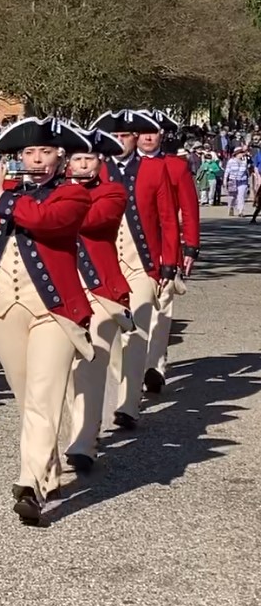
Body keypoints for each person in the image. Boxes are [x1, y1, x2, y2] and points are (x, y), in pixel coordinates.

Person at [0, 118, 93, 525]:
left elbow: (46, 221)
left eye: (46, 153)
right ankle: (48, 471)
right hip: (3, 309)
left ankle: (29, 484)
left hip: (54, 311)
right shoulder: (1, 196)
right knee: (28, 397)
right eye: (29, 153)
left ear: (61, 158)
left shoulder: (72, 195)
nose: (37, 159)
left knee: (44, 396)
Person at [89, 110, 179, 430]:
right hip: (106, 263)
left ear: (136, 137)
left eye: (127, 136)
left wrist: (170, 263)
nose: (122, 142)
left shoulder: (155, 170)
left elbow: (168, 218)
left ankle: (128, 405)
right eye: (116, 137)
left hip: (143, 264)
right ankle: (126, 377)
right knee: (109, 333)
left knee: (138, 329)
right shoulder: (97, 170)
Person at [61, 128, 129, 475]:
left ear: (100, 161)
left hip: (100, 290)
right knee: (69, 370)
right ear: (67, 161)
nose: (83, 164)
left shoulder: (113, 191)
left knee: (92, 362)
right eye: (77, 159)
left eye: (89, 158)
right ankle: (81, 432)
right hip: (61, 290)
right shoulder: (54, 192)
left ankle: (84, 441)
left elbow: (93, 221)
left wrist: (53, 203)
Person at [137, 111, 199, 393]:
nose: (148, 136)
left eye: (154, 131)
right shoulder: (122, 168)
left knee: (161, 308)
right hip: (129, 247)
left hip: (165, 245)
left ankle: (154, 364)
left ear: (162, 134)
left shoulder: (175, 166)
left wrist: (191, 246)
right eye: (143, 131)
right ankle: (133, 362)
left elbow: (189, 207)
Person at [224, 146, 251, 216]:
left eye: (243, 152)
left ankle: (240, 211)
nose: (242, 154)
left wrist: (246, 161)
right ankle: (231, 207)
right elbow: (227, 171)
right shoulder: (231, 161)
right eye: (241, 153)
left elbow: (248, 170)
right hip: (233, 180)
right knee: (233, 196)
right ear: (236, 154)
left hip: (243, 181)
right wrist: (225, 180)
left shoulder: (245, 161)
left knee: (241, 196)